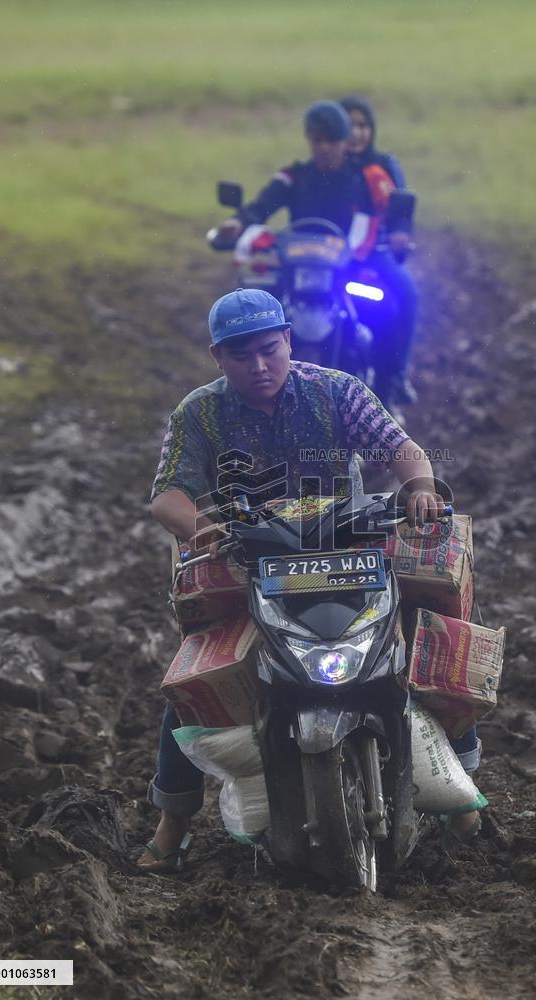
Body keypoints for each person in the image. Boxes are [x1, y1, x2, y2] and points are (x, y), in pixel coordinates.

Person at [137, 287, 480, 873]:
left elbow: (401, 448)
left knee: (432, 639)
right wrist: (201, 526)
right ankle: (172, 823)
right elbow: (166, 494)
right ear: (219, 357)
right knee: (198, 678)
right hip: (254, 563)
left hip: (349, 551)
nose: (260, 366)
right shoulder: (199, 413)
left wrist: (420, 487)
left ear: (289, 341)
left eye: (270, 350)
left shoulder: (335, 390)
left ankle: (465, 797)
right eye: (242, 356)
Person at [216, 100, 416, 412]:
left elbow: (393, 211)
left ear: (345, 142)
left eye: (332, 141)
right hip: (296, 269)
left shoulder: (369, 176)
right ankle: (244, 398)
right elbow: (263, 204)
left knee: (389, 306)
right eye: (317, 140)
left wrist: (401, 234)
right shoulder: (294, 176)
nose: (324, 148)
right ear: (309, 140)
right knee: (253, 313)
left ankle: (388, 390)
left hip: (350, 268)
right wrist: (238, 222)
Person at [340, 95, 418, 406]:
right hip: (330, 256)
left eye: (363, 126)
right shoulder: (329, 168)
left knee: (408, 292)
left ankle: (397, 373)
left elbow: (401, 212)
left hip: (375, 252)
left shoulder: (383, 166)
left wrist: (401, 235)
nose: (357, 133)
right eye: (349, 126)